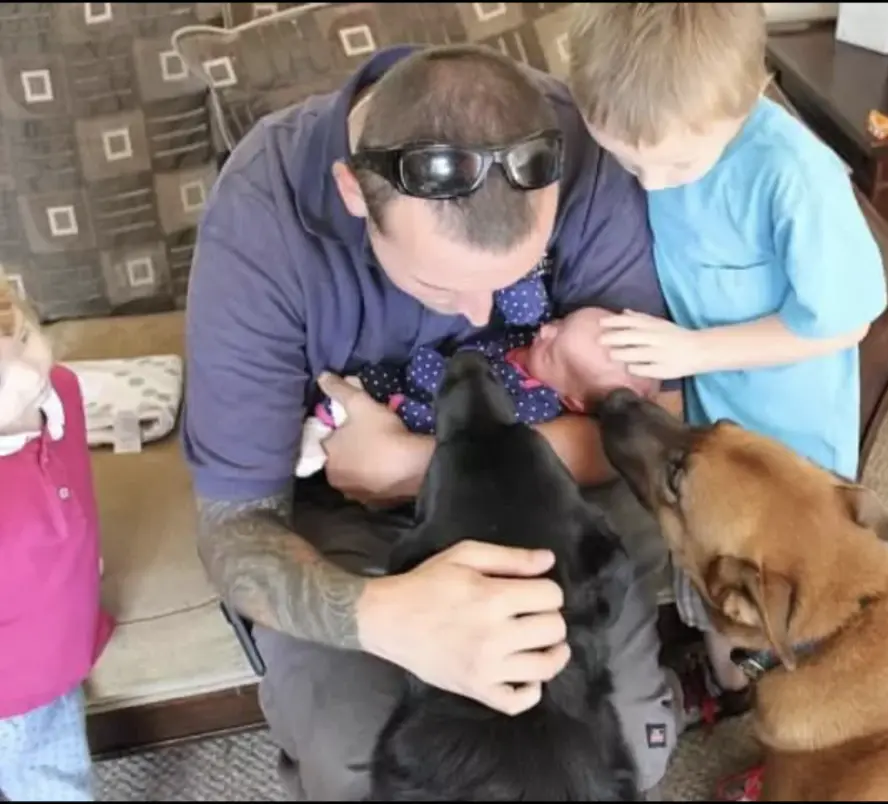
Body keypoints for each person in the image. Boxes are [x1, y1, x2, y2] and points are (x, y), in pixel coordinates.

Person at [183, 43, 688, 800]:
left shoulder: (585, 153)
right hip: (343, 518)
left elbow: (652, 422)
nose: (484, 314)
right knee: (360, 771)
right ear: (354, 193)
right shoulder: (259, 222)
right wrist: (388, 617)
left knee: (634, 756)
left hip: (546, 498)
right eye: (439, 284)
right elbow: (235, 532)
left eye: (517, 277)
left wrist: (411, 463)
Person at [566, 3, 888, 798]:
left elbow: (845, 321)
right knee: (704, 584)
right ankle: (728, 682)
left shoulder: (791, 174)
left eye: (671, 168)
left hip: (787, 447)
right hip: (708, 424)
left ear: (748, 98)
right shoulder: (667, 139)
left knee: (768, 607)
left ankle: (760, 698)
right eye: (629, 163)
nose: (651, 183)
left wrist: (694, 351)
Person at [296, 305, 661, 478]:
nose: (546, 331)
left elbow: (464, 402)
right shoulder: (530, 341)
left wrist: (429, 366)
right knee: (364, 381)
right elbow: (524, 306)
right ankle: (327, 417)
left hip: (434, 408)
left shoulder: (536, 405)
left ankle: (322, 431)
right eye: (560, 323)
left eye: (552, 349)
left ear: (571, 401)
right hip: (432, 376)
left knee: (374, 385)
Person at [0, 276, 115, 802]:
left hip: (60, 639)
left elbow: (76, 487)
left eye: (22, 338)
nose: (25, 374)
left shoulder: (62, 391)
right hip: (16, 689)